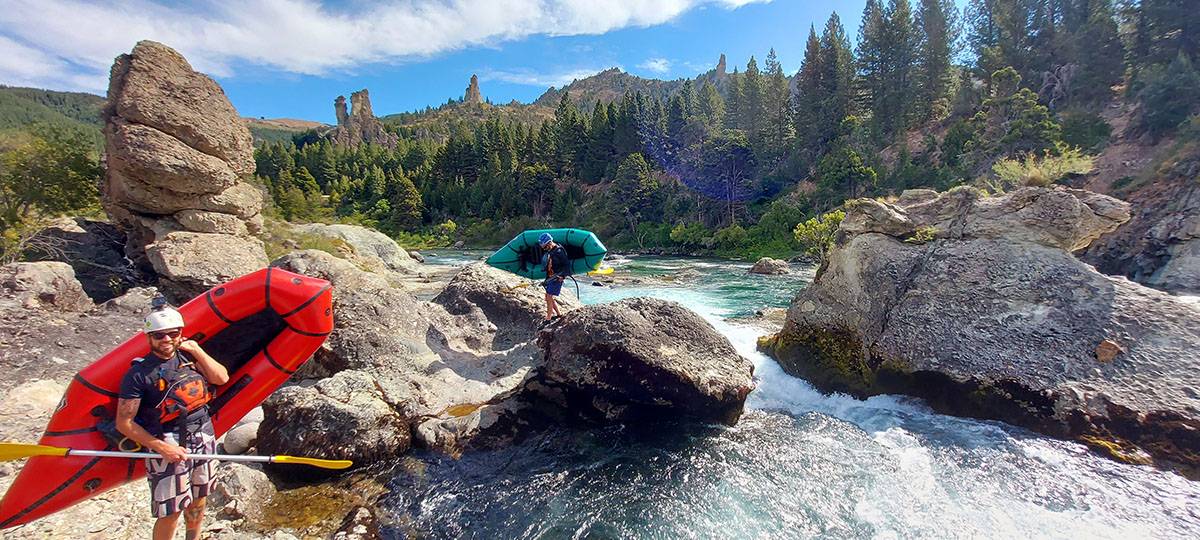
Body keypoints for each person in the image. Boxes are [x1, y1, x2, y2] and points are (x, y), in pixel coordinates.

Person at [116, 299, 229, 540]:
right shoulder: (138, 375)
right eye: (159, 335)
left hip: (203, 431)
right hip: (167, 438)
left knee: (199, 497)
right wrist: (161, 447)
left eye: (172, 333)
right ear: (149, 337)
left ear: (180, 333)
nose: (166, 340)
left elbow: (221, 378)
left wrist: (197, 349)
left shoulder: (190, 358)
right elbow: (123, 423)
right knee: (171, 509)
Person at [539, 232, 570, 321]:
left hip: (557, 277)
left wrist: (563, 276)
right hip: (550, 276)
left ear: (549, 243)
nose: (544, 249)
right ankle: (559, 314)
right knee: (548, 296)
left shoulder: (559, 251)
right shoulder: (551, 251)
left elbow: (566, 265)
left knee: (549, 296)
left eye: (545, 247)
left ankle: (548, 318)